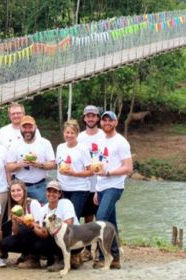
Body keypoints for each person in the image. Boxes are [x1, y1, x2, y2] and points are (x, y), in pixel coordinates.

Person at [92, 110, 132, 269]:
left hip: (115, 186)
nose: (107, 123)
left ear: (115, 122)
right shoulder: (101, 140)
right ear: (101, 122)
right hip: (101, 186)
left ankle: (104, 257)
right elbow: (100, 164)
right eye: (104, 120)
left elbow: (128, 167)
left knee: (101, 218)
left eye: (110, 120)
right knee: (111, 221)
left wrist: (109, 173)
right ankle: (115, 258)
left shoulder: (121, 142)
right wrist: (96, 189)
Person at [76, 105, 104, 262]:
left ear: (98, 118)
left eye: (94, 116)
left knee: (100, 217)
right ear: (84, 118)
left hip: (100, 183)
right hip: (83, 183)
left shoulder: (103, 136)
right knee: (85, 218)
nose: (91, 119)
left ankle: (100, 249)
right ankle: (86, 249)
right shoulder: (79, 137)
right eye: (88, 116)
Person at [6, 115, 55, 203]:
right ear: (20, 128)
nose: (27, 130)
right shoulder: (14, 145)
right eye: (25, 127)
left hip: (39, 186)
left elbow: (53, 164)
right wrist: (19, 164)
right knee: (19, 214)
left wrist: (40, 165)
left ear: (35, 127)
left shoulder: (45, 143)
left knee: (42, 214)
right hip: (19, 188)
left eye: (30, 127)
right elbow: (9, 167)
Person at [0, 180, 45, 268]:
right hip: (26, 236)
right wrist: (15, 221)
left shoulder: (32, 203)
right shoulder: (15, 207)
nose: (16, 193)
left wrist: (24, 220)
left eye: (18, 190)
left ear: (24, 191)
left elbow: (40, 226)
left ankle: (34, 258)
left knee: (24, 228)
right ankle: (26, 255)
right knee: (4, 243)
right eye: (13, 191)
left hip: (39, 237)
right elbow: (15, 233)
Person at [36, 180, 78, 272]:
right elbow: (44, 233)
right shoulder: (43, 210)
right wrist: (32, 226)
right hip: (56, 237)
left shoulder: (66, 203)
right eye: (49, 191)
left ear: (59, 194)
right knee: (39, 244)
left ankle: (62, 260)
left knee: (57, 235)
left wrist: (50, 225)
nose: (51, 194)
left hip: (73, 238)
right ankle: (59, 259)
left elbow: (69, 225)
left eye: (55, 191)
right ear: (46, 193)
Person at [56, 120, 93, 221]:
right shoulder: (60, 147)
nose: (69, 135)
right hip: (62, 189)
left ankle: (76, 237)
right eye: (67, 132)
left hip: (79, 189)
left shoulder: (82, 149)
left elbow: (90, 171)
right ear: (64, 133)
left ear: (77, 134)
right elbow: (58, 167)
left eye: (72, 133)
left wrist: (74, 173)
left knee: (72, 219)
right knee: (62, 219)